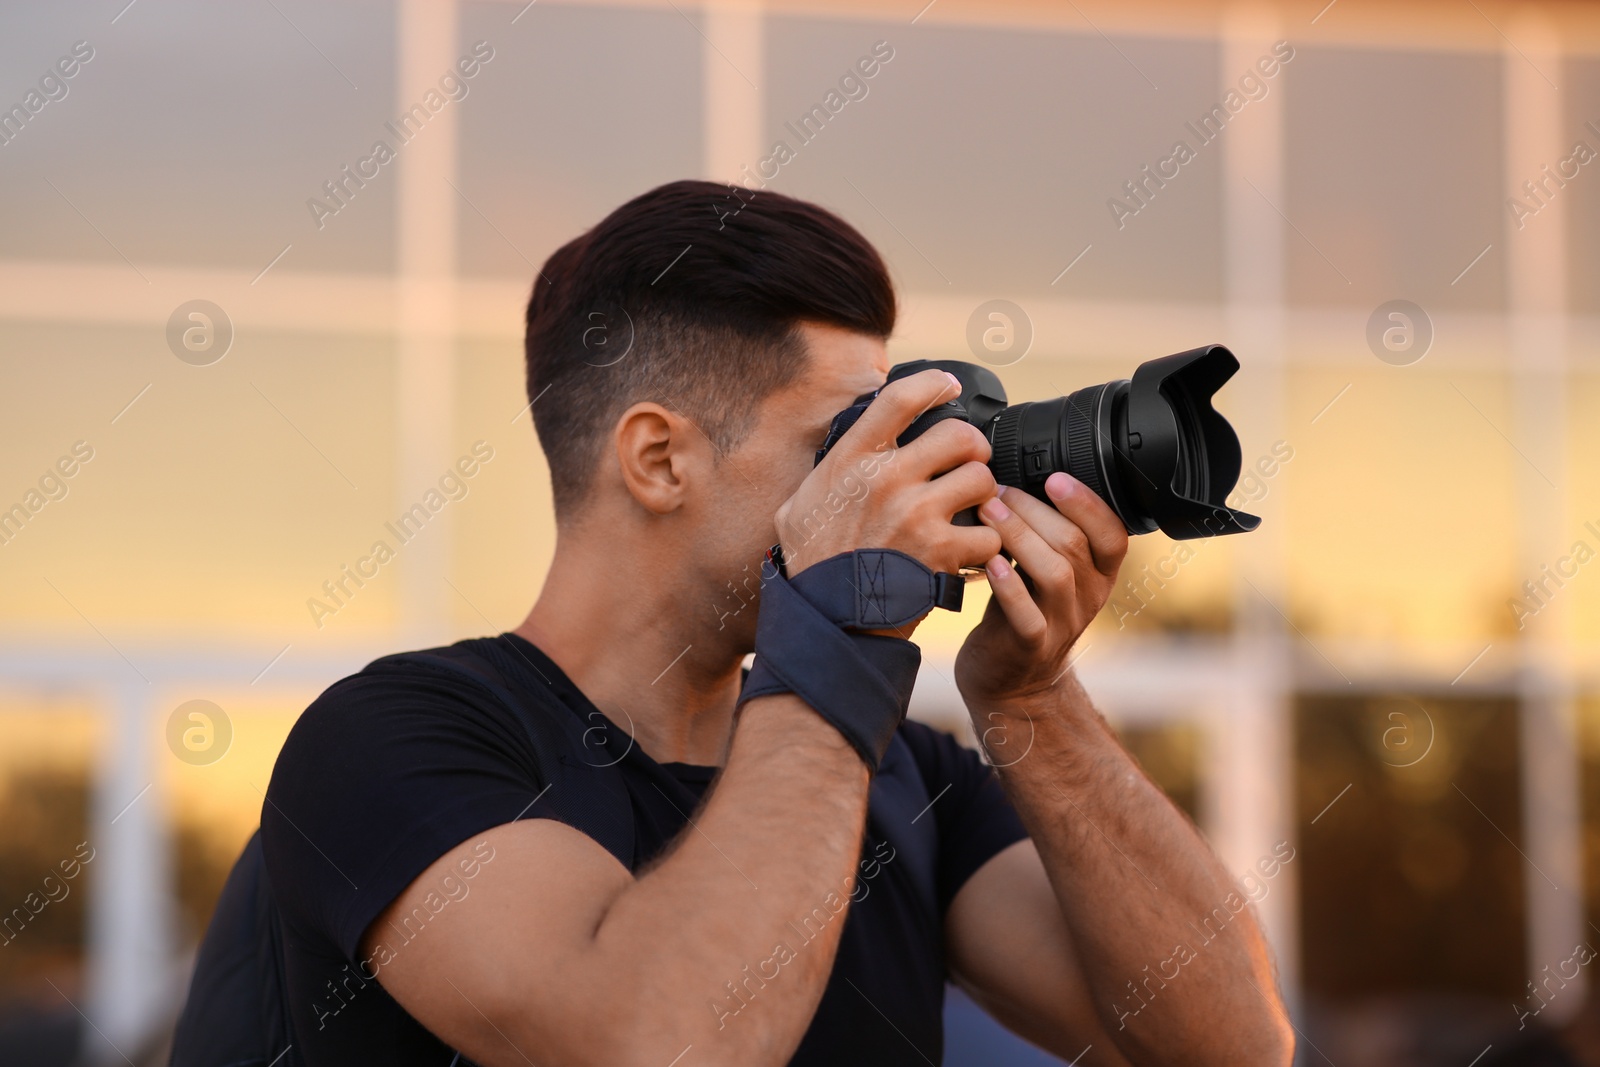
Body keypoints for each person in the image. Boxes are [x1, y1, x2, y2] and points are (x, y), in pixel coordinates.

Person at [256, 180, 1293, 1066]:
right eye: (848, 439)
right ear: (659, 459)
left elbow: (1232, 1043)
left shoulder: (902, 779)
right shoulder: (395, 739)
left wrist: (1032, 695)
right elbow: (653, 1040)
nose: (891, 479)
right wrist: (840, 624)